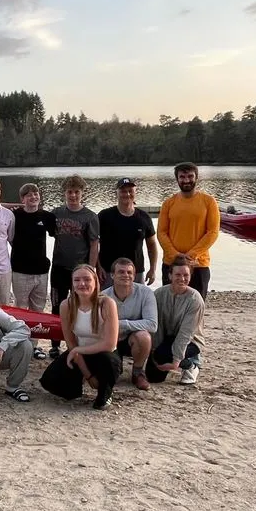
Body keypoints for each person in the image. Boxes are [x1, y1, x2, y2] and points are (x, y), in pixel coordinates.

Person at [39, 265, 121, 410]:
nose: (82, 284)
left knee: (108, 362)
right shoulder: (66, 305)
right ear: (72, 284)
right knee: (50, 381)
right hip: (80, 352)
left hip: (104, 353)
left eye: (87, 279)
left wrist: (77, 350)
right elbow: (70, 341)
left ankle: (105, 392)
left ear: (95, 282)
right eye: (77, 280)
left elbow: (109, 344)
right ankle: (80, 383)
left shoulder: (107, 303)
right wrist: (87, 375)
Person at [49, 175, 100, 359]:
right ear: (65, 193)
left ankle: (79, 342)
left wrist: (91, 269)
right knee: (57, 304)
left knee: (80, 305)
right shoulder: (56, 213)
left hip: (79, 270)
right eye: (70, 192)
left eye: (76, 192)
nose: (73, 195)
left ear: (82, 193)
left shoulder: (90, 217)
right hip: (59, 267)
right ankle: (55, 344)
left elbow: (94, 244)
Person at [157, 162, 220, 300]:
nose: (186, 180)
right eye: (182, 177)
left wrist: (191, 255)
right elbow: (161, 233)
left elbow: (213, 232)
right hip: (171, 263)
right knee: (169, 305)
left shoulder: (208, 201)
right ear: (177, 179)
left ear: (196, 178)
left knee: (196, 305)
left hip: (199, 264)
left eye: (190, 176)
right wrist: (175, 255)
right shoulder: (168, 203)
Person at [10, 183, 57, 360]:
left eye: (36, 194)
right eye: (28, 195)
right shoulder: (15, 216)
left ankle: (35, 345)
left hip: (42, 271)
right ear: (22, 199)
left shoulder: (47, 217)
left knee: (38, 311)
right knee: (20, 309)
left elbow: (58, 233)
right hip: (20, 270)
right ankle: (21, 344)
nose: (33, 197)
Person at [146, 255, 205, 386]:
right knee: (153, 377)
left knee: (166, 355)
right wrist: (154, 349)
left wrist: (176, 361)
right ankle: (165, 356)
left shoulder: (195, 299)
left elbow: (186, 332)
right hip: (167, 337)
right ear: (170, 275)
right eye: (178, 274)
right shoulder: (159, 294)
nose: (182, 279)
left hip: (191, 341)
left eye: (186, 275)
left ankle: (190, 366)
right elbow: (157, 324)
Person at [101, 257, 157, 391]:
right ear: (112, 275)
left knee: (144, 336)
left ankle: (138, 372)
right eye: (121, 272)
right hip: (111, 340)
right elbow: (100, 326)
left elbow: (152, 324)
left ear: (134, 275)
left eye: (129, 272)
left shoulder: (146, 293)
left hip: (134, 339)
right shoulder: (103, 297)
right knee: (110, 374)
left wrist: (121, 324)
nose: (126, 275)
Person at [97, 178, 158, 290]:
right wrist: (98, 266)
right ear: (117, 193)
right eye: (123, 191)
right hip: (108, 272)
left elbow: (152, 245)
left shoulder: (144, 217)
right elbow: (94, 243)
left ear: (135, 192)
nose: (127, 194)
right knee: (107, 304)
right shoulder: (104, 216)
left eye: (130, 191)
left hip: (136, 271)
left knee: (136, 304)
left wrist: (153, 269)